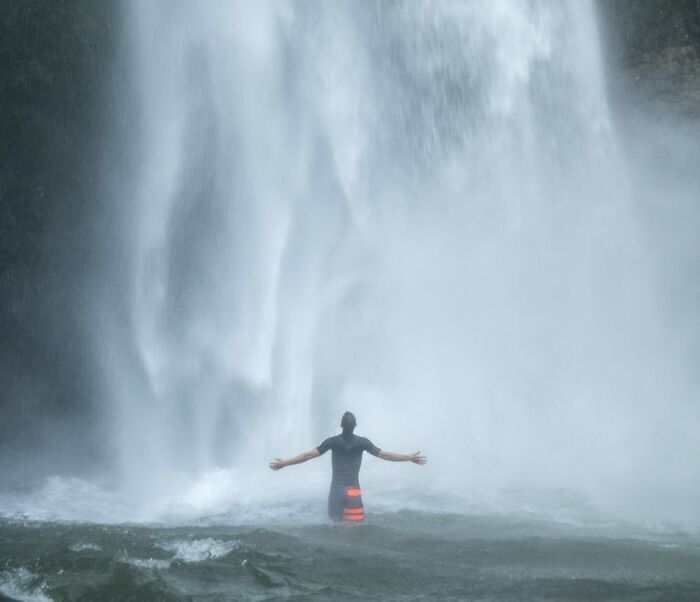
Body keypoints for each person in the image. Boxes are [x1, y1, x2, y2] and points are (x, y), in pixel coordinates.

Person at [269, 411, 426, 522]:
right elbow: (386, 455)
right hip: (353, 491)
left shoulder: (333, 441)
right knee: (355, 532)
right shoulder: (362, 442)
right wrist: (409, 458)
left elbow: (307, 455)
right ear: (355, 425)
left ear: (341, 425)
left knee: (334, 528)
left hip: (336, 491)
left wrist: (285, 463)